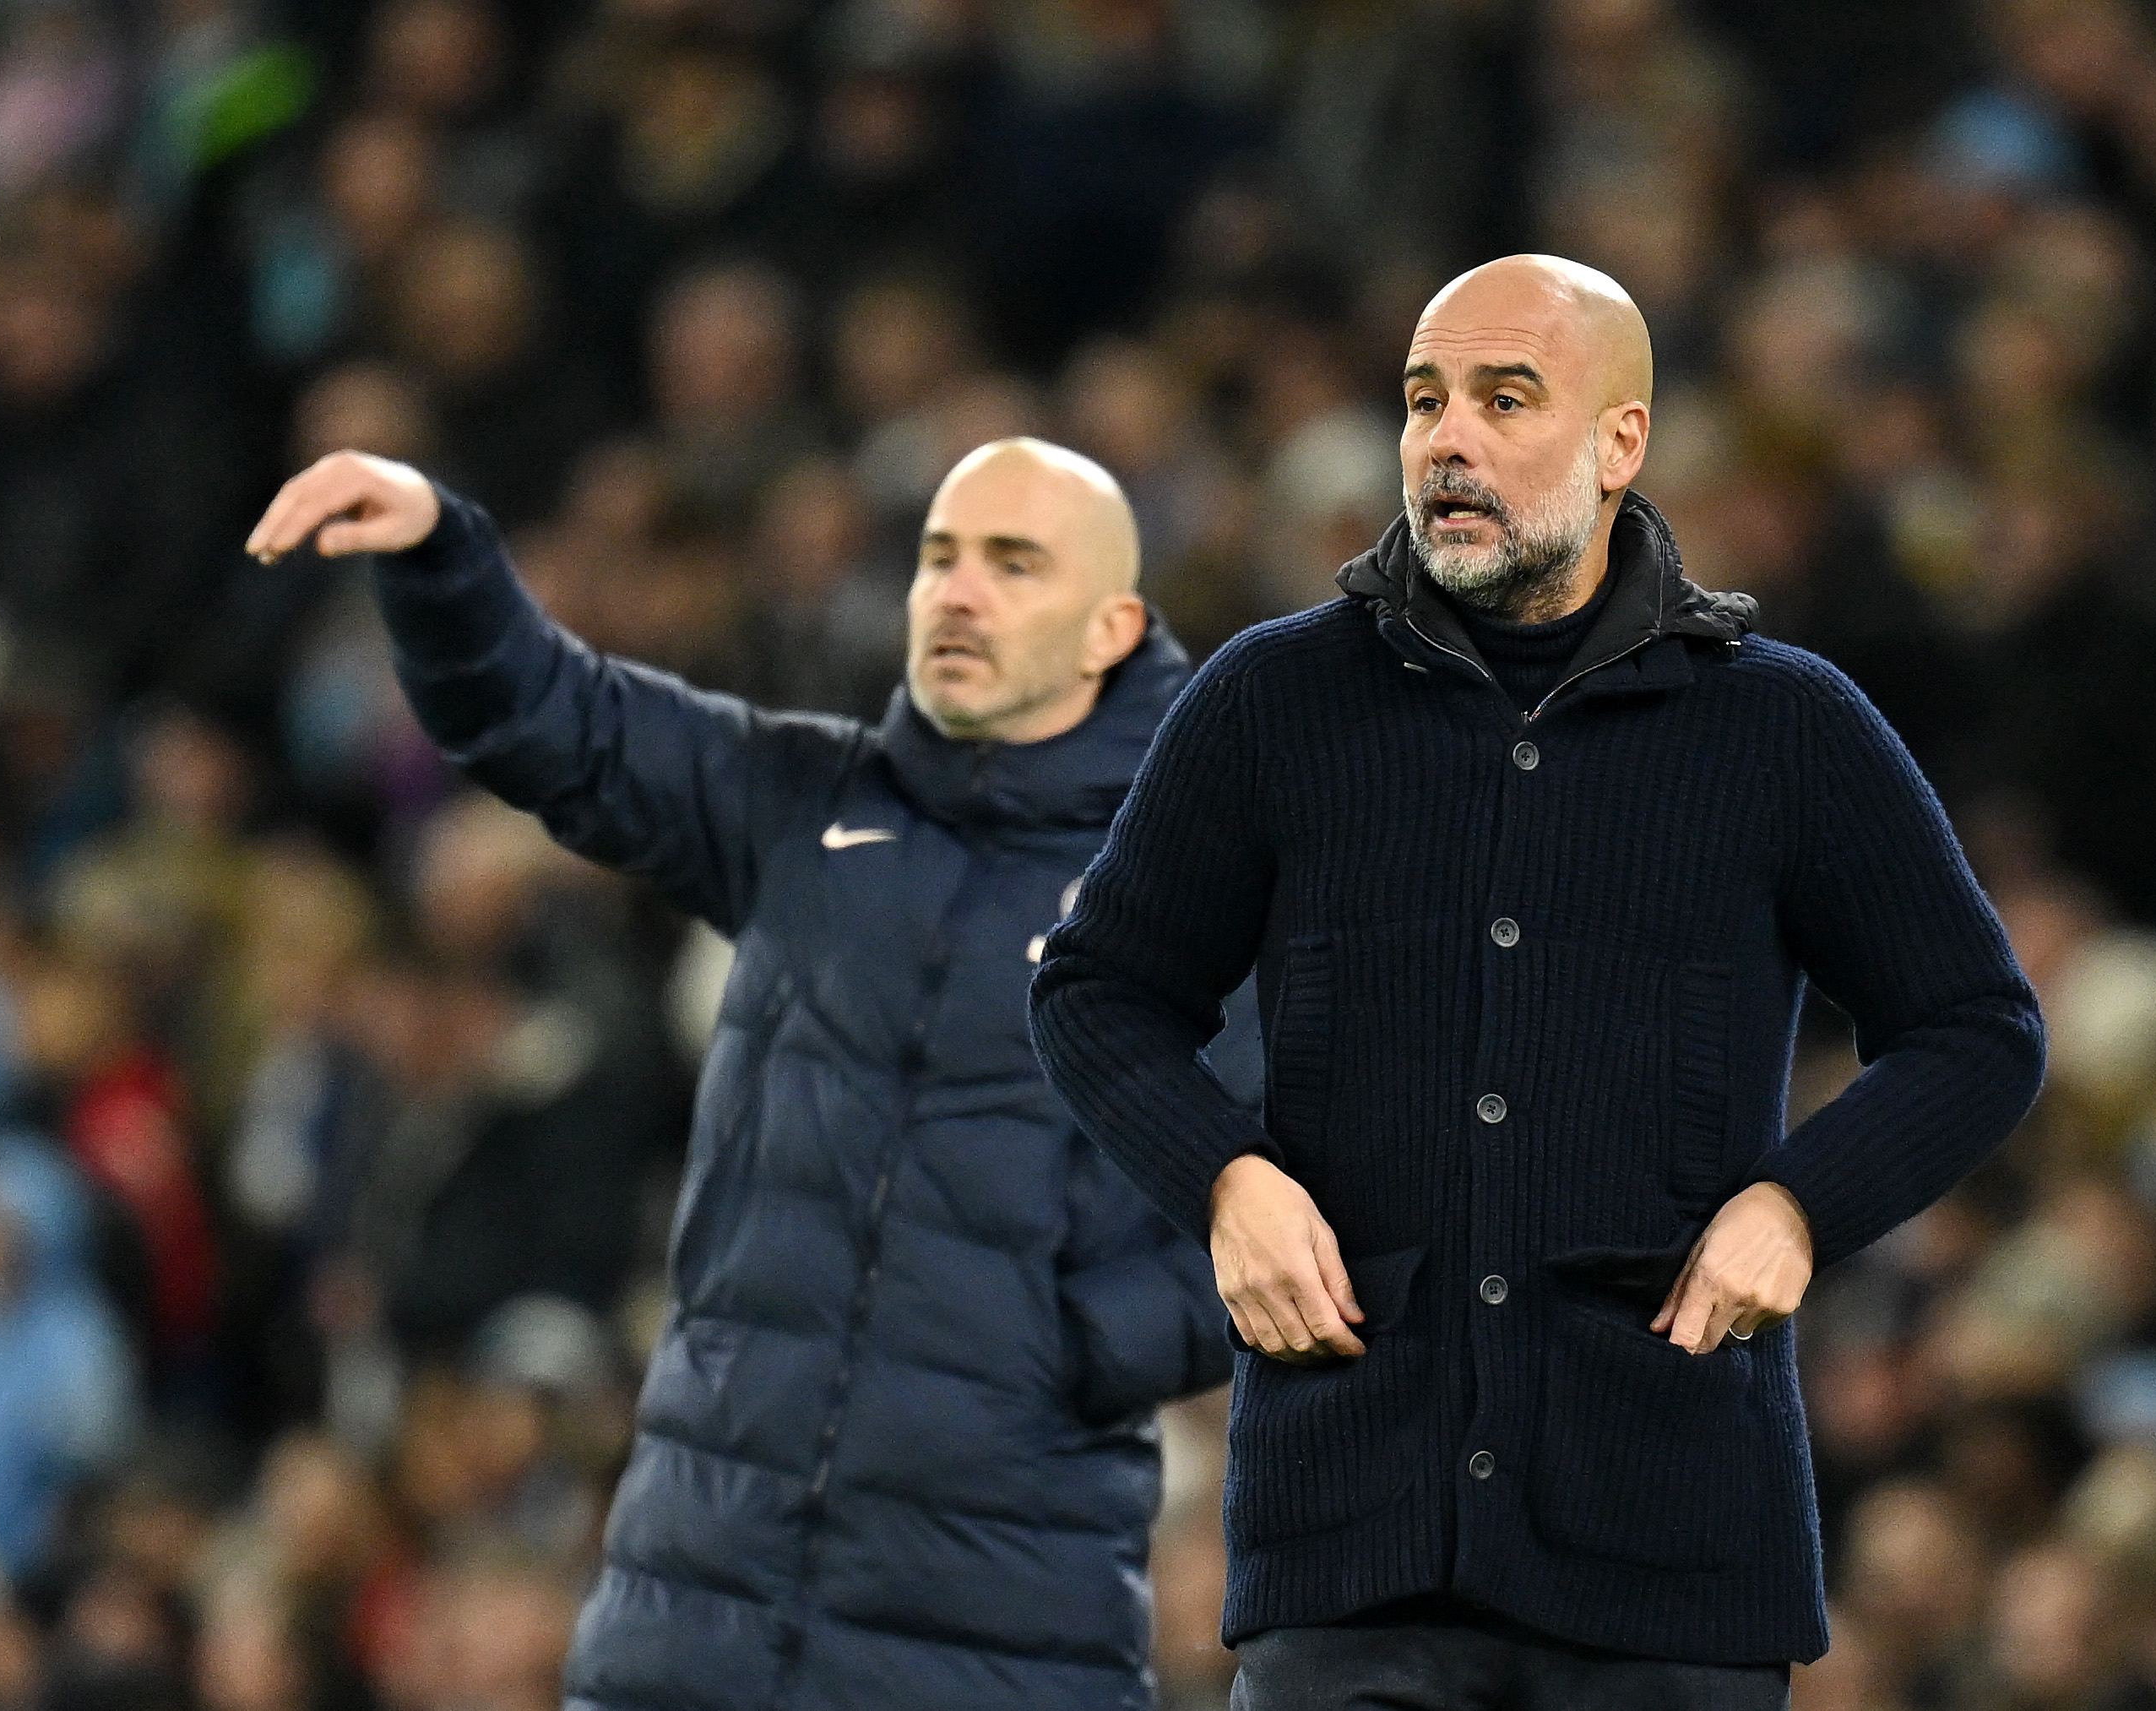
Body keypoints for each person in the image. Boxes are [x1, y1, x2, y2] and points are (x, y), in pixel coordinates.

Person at [1028, 255, 2046, 1708]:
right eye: (1423, 400)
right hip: (1352, 1558)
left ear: (1619, 442)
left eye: (1505, 399)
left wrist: (1798, 1206)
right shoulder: (1270, 701)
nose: (1447, 438)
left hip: (1673, 1567)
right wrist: (1223, 1181)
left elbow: (1977, 1028)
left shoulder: (1785, 727)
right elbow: (1095, 989)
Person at [244, 437, 1239, 1709]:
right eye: (938, 558)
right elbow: (561, 722)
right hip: (699, 1600)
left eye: (1012, 563)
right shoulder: (809, 807)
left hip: (994, 1620)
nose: (957, 592)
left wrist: (1057, 1346)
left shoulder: (1192, 891)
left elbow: (1301, 1207)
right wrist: (443, 556)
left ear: (1112, 627)